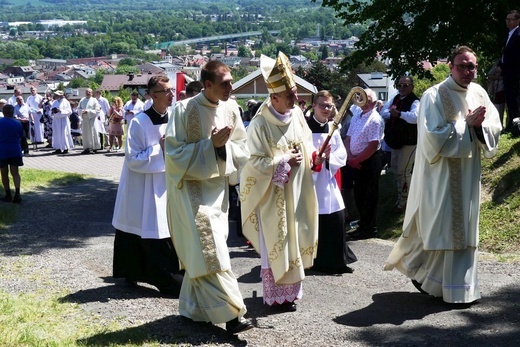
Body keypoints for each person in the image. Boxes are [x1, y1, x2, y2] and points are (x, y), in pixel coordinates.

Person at [384, 46, 502, 304]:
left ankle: (462, 289)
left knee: (465, 227)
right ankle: (429, 280)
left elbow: (495, 124)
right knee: (443, 226)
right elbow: (431, 137)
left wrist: (481, 128)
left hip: (468, 172)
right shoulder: (434, 95)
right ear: (450, 66)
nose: (467, 71)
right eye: (462, 66)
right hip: (440, 175)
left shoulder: (480, 92)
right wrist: (465, 126)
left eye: (472, 66)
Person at [164, 60, 252, 334]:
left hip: (218, 193)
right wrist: (209, 145)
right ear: (207, 85)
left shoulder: (232, 109)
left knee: (204, 251)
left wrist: (222, 149)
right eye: (225, 83)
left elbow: (243, 149)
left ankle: (192, 309)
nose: (231, 87)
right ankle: (234, 313)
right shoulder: (183, 110)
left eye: (231, 81)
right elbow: (173, 156)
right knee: (212, 250)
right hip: (191, 193)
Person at [240, 52, 320, 312]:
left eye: (295, 93)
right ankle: (275, 296)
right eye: (290, 95)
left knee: (294, 241)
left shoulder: (296, 114)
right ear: (274, 97)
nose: (296, 99)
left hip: (296, 193)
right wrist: (284, 161)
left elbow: (306, 143)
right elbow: (251, 165)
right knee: (278, 243)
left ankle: (291, 294)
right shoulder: (259, 125)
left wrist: (315, 155)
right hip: (272, 197)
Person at [112, 75, 183, 297]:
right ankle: (150, 274)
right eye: (167, 91)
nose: (172, 94)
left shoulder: (173, 118)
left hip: (166, 183)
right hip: (142, 185)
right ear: (153, 96)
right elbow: (133, 158)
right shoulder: (138, 122)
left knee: (165, 226)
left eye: (172, 90)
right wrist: (160, 150)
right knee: (146, 227)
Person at [307, 90, 357, 274]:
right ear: (314, 105)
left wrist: (328, 159)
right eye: (322, 105)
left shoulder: (332, 128)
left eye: (329, 105)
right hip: (310, 182)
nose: (326, 109)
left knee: (336, 217)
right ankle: (315, 261)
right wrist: (315, 159)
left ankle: (337, 261)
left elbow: (341, 154)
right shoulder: (304, 128)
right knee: (315, 220)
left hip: (328, 180)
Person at [345, 88, 385, 240]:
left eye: (367, 99)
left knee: (369, 195)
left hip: (369, 161)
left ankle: (369, 228)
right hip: (354, 160)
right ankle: (362, 225)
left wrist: (356, 159)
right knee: (359, 194)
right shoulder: (356, 116)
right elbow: (348, 137)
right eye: (362, 97)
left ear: (374, 102)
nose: (364, 101)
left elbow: (373, 145)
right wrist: (349, 156)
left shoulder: (375, 119)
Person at [380, 76, 420, 212]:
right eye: (400, 85)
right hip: (396, 141)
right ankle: (401, 197)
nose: (402, 88)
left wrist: (399, 114)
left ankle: (405, 200)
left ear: (411, 86)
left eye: (405, 85)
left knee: (403, 171)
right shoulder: (395, 98)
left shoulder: (415, 101)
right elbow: (383, 112)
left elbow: (415, 117)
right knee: (397, 170)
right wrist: (393, 114)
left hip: (409, 142)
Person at [500, 10, 520, 134]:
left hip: (515, 74)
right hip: (507, 73)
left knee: (515, 101)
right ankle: (510, 125)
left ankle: (515, 127)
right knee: (510, 100)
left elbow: (516, 57)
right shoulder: (509, 34)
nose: (508, 22)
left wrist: (504, 67)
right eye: (507, 19)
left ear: (518, 21)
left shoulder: (518, 35)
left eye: (511, 19)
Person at [0, 105, 24, 203]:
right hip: (15, 150)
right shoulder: (17, 123)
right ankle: (17, 194)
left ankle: (8, 194)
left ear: (3, 111)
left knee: (4, 173)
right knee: (15, 173)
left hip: (2, 150)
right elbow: (21, 136)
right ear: (13, 112)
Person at [77, 88, 101, 154]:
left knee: (93, 133)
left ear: (92, 93)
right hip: (85, 119)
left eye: (89, 92)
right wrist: (82, 111)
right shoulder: (82, 100)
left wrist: (88, 111)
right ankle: (86, 148)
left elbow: (97, 110)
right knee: (85, 134)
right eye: (87, 92)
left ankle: (94, 148)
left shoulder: (94, 100)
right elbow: (78, 109)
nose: (88, 93)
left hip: (92, 120)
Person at [50, 90, 74, 155]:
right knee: (56, 134)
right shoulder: (54, 102)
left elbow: (69, 111)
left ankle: (65, 148)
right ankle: (57, 148)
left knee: (64, 134)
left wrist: (61, 111)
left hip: (63, 120)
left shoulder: (66, 102)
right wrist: (52, 111)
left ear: (61, 95)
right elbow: (50, 110)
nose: (56, 96)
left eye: (57, 95)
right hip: (56, 120)